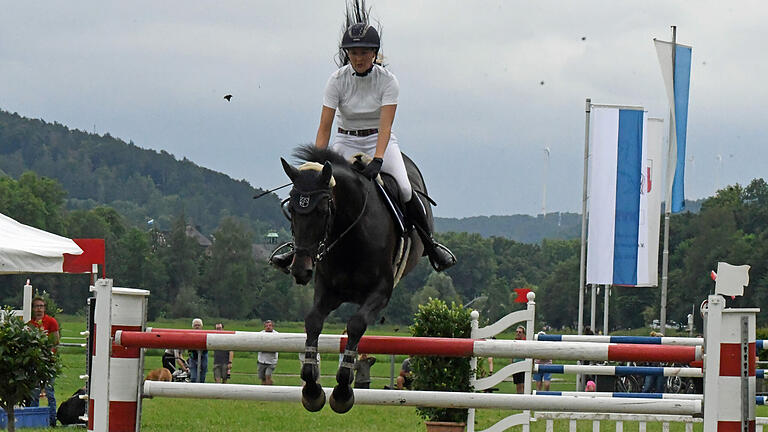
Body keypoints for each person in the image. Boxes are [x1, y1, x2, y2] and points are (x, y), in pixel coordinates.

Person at [270, 14, 456, 273]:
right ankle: (296, 248)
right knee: (317, 193)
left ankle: (430, 245)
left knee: (404, 188)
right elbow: (325, 126)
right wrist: (315, 163)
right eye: (353, 52)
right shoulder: (336, 80)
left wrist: (378, 159)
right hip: (345, 139)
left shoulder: (388, 81)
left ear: (374, 53)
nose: (358, 58)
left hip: (379, 140)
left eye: (364, 52)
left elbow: (386, 126)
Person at [27, 296, 60, 427]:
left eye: (41, 306)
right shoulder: (30, 324)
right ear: (33, 309)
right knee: (34, 392)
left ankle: (52, 420)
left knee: (49, 392)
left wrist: (48, 355)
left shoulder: (51, 322)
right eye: (36, 306)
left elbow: (56, 341)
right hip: (35, 361)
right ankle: (34, 421)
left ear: (44, 308)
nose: (39, 309)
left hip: (48, 361)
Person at [257, 320, 279, 385]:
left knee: (268, 376)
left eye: (270, 325)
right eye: (266, 326)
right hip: (261, 360)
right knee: (262, 378)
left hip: (271, 361)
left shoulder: (277, 335)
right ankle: (263, 392)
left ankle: (269, 391)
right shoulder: (260, 334)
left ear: (272, 326)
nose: (268, 327)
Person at [188, 318, 208, 383]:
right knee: (193, 377)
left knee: (203, 374)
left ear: (201, 326)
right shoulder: (189, 335)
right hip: (193, 356)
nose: (197, 327)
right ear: (192, 326)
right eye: (195, 325)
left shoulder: (205, 334)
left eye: (198, 325)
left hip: (203, 355)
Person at [512, 326, 527, 394]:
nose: (518, 333)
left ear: (523, 334)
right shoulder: (514, 341)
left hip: (523, 365)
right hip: (515, 364)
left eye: (520, 332)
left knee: (523, 384)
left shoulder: (526, 342)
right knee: (517, 384)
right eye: (517, 332)